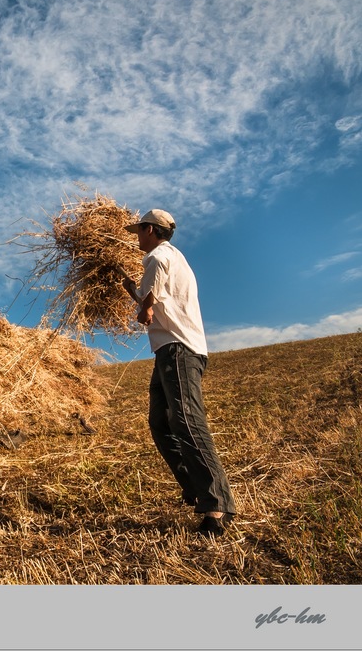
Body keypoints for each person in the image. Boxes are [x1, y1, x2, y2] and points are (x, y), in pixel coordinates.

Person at [120, 209, 236, 537]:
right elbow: (154, 302)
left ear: (151, 230)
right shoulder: (173, 258)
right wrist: (134, 291)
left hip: (178, 350)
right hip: (169, 351)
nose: (137, 237)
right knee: (160, 421)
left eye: (139, 231)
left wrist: (142, 306)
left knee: (186, 420)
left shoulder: (157, 257)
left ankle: (217, 504)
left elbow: (149, 309)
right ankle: (196, 487)